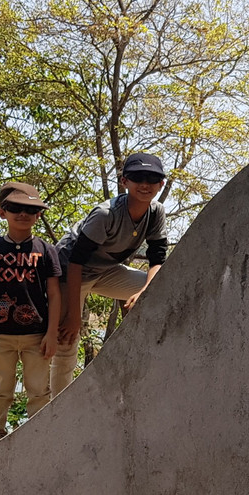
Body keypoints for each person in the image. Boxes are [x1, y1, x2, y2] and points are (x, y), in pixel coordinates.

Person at [51, 153, 169, 395]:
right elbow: (75, 262)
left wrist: (145, 292)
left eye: (152, 178)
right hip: (70, 273)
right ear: (125, 181)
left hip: (105, 271)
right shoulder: (106, 214)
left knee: (163, 288)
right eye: (137, 177)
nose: (145, 184)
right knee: (66, 340)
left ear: (161, 184)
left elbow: (157, 258)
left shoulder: (156, 212)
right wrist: (74, 316)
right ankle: (56, 406)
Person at [0, 182, 62, 447]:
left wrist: (52, 333)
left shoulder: (45, 249)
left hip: (36, 335)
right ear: (2, 212)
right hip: (0, 334)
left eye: (30, 209)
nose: (23, 214)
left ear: (39, 215)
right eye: (15, 208)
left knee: (39, 390)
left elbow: (53, 294)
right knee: (0, 389)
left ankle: (40, 438)